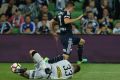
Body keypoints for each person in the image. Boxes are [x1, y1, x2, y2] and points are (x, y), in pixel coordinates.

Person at [12, 50, 80, 79]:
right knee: (29, 76)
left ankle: (40, 63)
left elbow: (54, 60)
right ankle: (18, 71)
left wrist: (47, 61)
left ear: (73, 64)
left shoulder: (66, 61)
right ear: (75, 72)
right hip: (48, 76)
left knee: (32, 51)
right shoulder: (70, 76)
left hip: (47, 66)